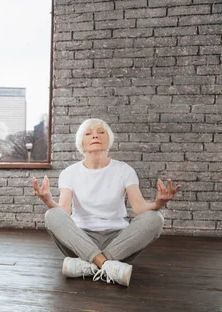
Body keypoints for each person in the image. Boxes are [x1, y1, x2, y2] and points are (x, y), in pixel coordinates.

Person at [33, 118, 180, 287]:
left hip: (118, 241)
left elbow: (140, 208)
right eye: (88, 133)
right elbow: (64, 210)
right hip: (81, 239)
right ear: (81, 142)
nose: (95, 136)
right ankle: (107, 266)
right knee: (52, 214)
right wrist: (48, 200)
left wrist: (158, 203)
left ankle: (89, 266)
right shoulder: (69, 173)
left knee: (156, 218)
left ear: (108, 139)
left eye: (100, 132)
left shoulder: (124, 170)